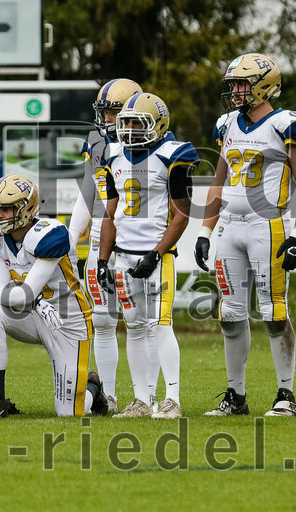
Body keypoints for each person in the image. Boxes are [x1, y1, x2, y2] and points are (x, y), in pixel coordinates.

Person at [196, 53, 296, 417]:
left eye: (241, 84)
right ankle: (236, 396)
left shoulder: (286, 124)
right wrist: (204, 229)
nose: (234, 91)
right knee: (230, 314)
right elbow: (219, 181)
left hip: (269, 225)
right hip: (230, 227)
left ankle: (286, 395)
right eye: (232, 84)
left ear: (264, 86)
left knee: (274, 311)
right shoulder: (228, 124)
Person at [96, 93, 199, 419]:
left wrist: (156, 254)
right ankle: (142, 400)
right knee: (135, 328)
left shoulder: (172, 156)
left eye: (136, 125)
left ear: (157, 124)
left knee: (161, 324)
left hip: (157, 259)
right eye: (124, 123)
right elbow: (111, 215)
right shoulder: (113, 156)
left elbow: (182, 215)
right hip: (124, 259)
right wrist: (103, 259)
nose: (128, 131)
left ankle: (172, 399)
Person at [0, 175, 108, 418]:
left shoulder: (49, 234)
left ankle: (93, 387)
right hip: (34, 315)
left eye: (5, 209)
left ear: (26, 209)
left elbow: (22, 294)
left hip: (68, 321)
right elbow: (2, 294)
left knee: (69, 413)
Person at [67, 78, 149, 413]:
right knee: (101, 320)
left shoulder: (151, 146)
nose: (107, 119)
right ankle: (110, 397)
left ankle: (147, 396)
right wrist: (71, 240)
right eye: (105, 111)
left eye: (114, 111)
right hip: (102, 240)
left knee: (139, 323)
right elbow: (88, 193)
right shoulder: (97, 142)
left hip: (134, 243)